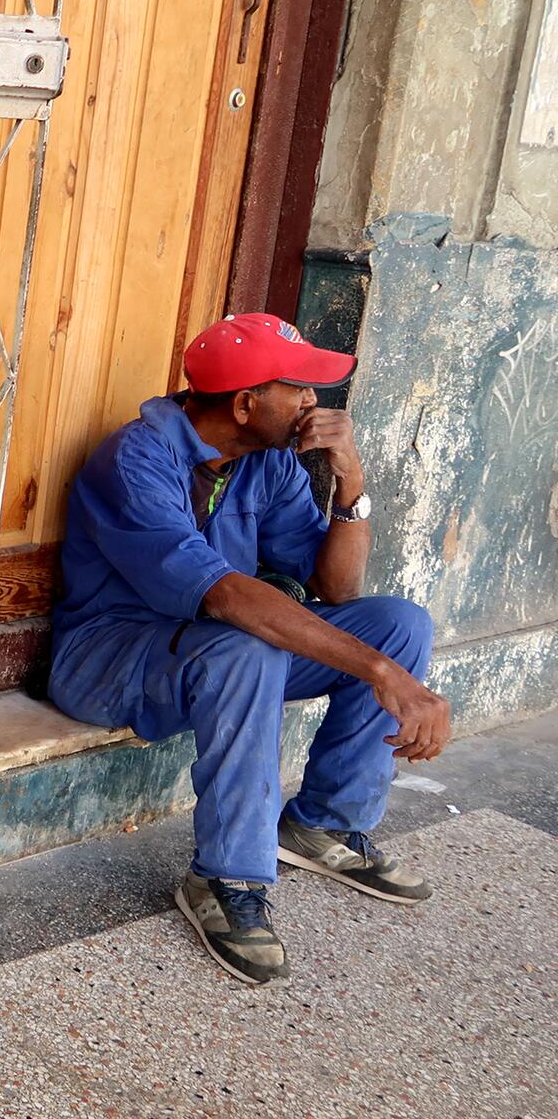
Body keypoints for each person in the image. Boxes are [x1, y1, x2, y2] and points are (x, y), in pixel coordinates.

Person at [47, 313, 451, 985]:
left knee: (398, 624)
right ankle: (224, 876)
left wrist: (351, 484)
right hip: (110, 660)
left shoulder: (267, 462)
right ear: (244, 403)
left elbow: (336, 589)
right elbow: (228, 596)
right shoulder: (137, 458)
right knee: (251, 648)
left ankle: (324, 825)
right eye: (298, 389)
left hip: (213, 652)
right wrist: (378, 673)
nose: (311, 403)